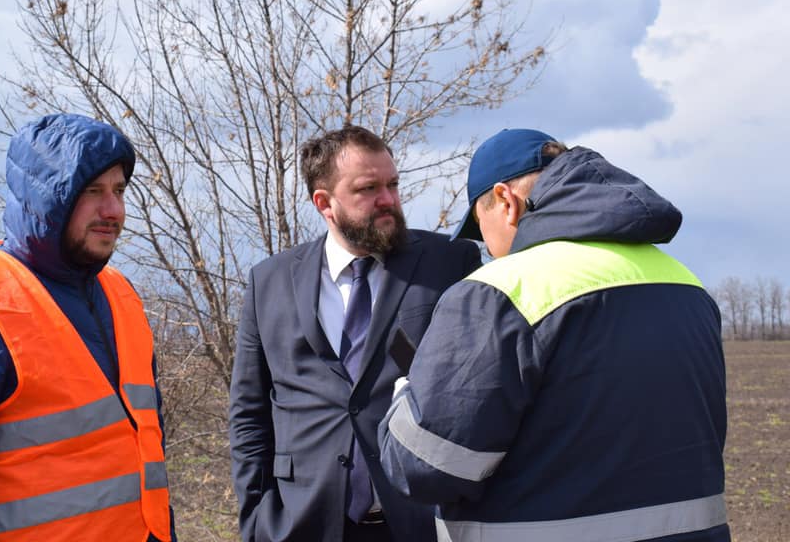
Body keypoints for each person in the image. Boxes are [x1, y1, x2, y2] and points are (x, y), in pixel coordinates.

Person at [379, 128, 729, 541]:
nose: (488, 249)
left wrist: (407, 390)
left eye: (479, 226)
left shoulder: (502, 290)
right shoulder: (682, 283)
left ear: (506, 202)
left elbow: (424, 467)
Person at [0, 113, 176, 542]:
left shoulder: (122, 295)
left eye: (119, 191)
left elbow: (143, 457)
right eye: (93, 191)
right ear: (47, 199)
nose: (113, 210)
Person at [229, 125, 482, 542]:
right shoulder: (269, 282)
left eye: (393, 184)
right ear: (324, 203)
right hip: (300, 523)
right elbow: (249, 413)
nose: (388, 200)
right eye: (368, 189)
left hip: (421, 521)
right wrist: (256, 517)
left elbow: (478, 391)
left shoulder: (450, 263)